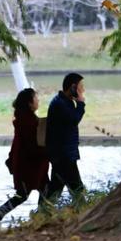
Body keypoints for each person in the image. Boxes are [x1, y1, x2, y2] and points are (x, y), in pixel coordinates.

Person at [0, 87, 49, 230]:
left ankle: (39, 219)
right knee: (26, 194)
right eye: (35, 98)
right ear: (29, 103)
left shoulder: (25, 120)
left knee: (42, 191)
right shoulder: (28, 122)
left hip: (32, 165)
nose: (38, 101)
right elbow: (32, 146)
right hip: (30, 166)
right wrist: (47, 152)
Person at [44, 72, 86, 205]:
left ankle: (42, 214)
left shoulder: (65, 102)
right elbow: (73, 120)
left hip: (63, 155)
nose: (82, 90)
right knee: (78, 190)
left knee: (55, 189)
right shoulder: (60, 104)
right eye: (80, 87)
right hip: (64, 156)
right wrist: (80, 104)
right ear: (73, 87)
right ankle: (83, 214)